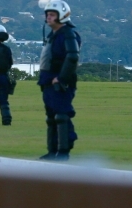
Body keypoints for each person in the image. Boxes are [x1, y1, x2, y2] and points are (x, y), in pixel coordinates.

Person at [37, 0, 80, 161]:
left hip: (60, 83)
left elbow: (73, 57)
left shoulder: (67, 34)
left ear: (62, 16)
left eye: (52, 15)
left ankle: (63, 152)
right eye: (47, 14)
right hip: (48, 81)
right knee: (51, 117)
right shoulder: (53, 35)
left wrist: (61, 78)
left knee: (61, 116)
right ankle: (52, 151)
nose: (48, 17)